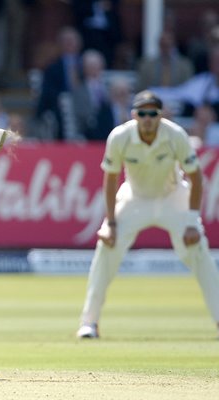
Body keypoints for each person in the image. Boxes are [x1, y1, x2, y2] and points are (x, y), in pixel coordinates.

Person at [76, 90, 219, 339]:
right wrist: (110, 223)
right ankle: (89, 323)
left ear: (160, 115)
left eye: (153, 113)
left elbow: (196, 178)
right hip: (135, 198)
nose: (148, 118)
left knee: (199, 253)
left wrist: (191, 221)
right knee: (106, 248)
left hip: (172, 197)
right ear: (135, 115)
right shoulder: (120, 136)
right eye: (143, 113)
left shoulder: (175, 135)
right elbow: (110, 180)